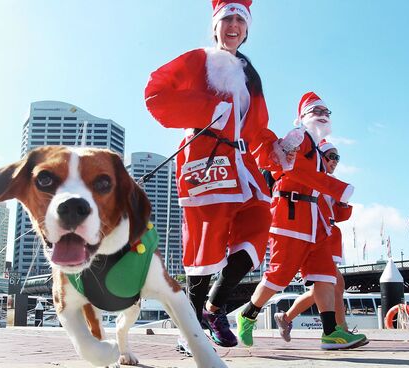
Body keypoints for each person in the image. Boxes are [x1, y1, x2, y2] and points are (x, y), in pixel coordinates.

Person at [144, 0, 287, 349]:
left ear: (248, 28)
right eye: (228, 19)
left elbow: (257, 131)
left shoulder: (251, 74)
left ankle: (213, 307)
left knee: (257, 228)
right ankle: (190, 331)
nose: (234, 25)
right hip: (206, 163)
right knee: (204, 247)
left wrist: (279, 150)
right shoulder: (199, 60)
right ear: (215, 26)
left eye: (240, 19)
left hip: (242, 168)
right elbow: (155, 94)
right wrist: (209, 108)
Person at [237, 92, 367, 350]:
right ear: (302, 116)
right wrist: (287, 147)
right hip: (291, 216)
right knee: (279, 275)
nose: (321, 114)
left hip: (315, 224)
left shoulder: (317, 149)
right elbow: (282, 163)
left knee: (325, 276)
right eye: (314, 110)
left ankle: (331, 333)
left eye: (325, 111)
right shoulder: (302, 138)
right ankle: (248, 314)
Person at [274, 142, 368, 345]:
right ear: (319, 157)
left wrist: (341, 203)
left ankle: (286, 318)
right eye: (330, 156)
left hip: (329, 234)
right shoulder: (309, 178)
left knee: (326, 285)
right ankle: (339, 329)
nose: (334, 161)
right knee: (334, 283)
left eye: (337, 157)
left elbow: (338, 215)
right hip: (314, 234)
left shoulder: (328, 182)